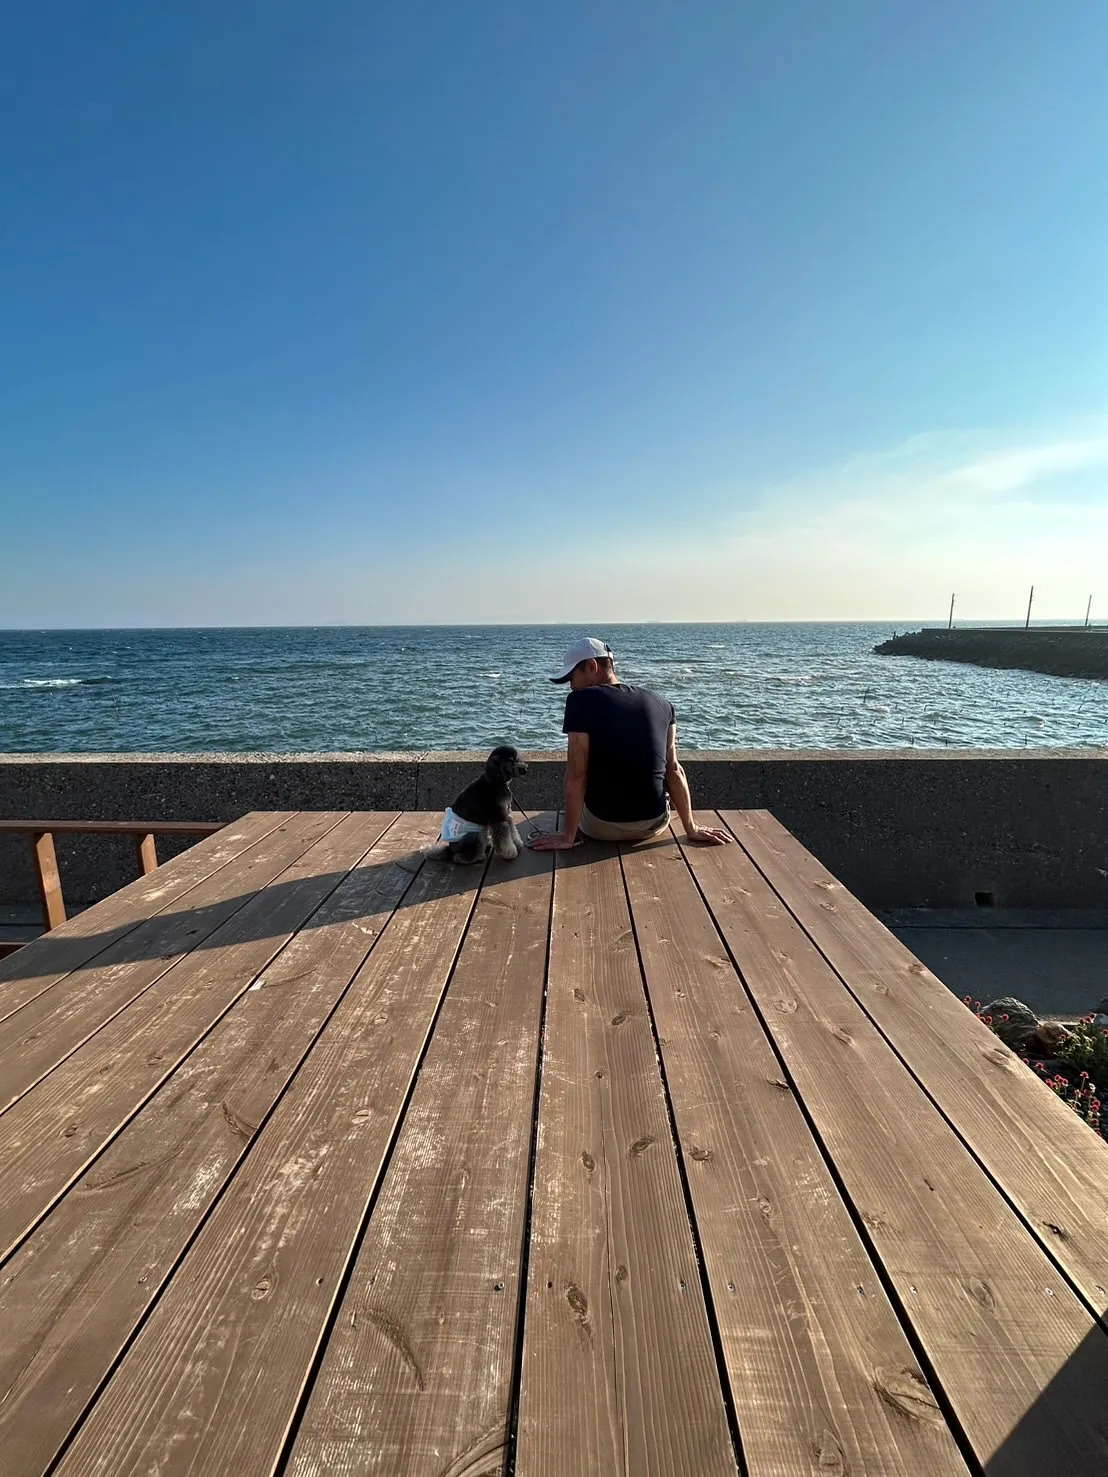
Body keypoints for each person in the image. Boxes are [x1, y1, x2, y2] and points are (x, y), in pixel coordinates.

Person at [529, 637, 733, 851]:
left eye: (572, 677)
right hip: (654, 824)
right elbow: (673, 770)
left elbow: (576, 775)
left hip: (601, 827)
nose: (571, 686)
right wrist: (692, 828)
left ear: (591, 666)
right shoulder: (663, 703)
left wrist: (567, 837)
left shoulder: (580, 700)